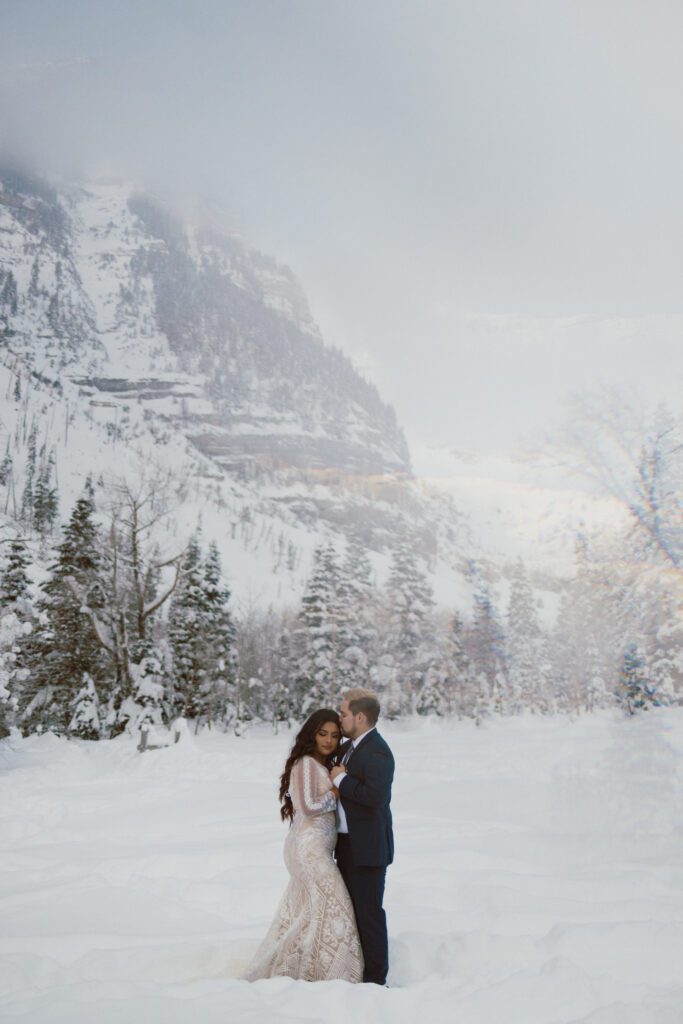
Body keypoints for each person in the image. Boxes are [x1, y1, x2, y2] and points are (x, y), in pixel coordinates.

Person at [243, 709, 363, 983]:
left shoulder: (319, 765)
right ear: (312, 733)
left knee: (310, 914)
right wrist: (336, 790)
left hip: (314, 849)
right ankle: (337, 977)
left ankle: (302, 970)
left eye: (334, 735)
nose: (329, 740)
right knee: (337, 908)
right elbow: (308, 807)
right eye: (323, 734)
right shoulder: (306, 764)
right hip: (308, 851)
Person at [331, 687, 394, 986]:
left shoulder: (378, 750)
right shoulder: (350, 747)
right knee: (350, 913)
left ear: (360, 716)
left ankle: (376, 981)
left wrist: (341, 779)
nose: (339, 719)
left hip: (367, 849)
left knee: (369, 915)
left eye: (343, 714)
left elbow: (376, 796)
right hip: (345, 845)